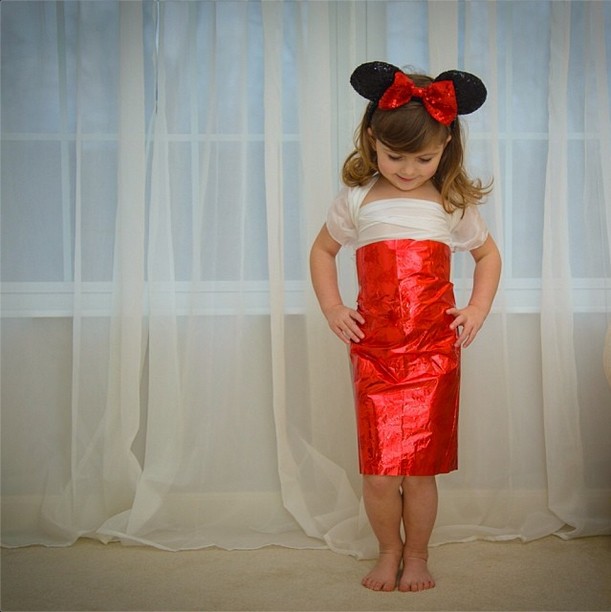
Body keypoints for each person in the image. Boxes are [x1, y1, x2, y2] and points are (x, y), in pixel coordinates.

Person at [310, 62, 501, 593]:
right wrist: (333, 307)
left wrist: (477, 309)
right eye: (396, 157)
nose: (409, 170)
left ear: (446, 148)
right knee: (378, 471)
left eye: (424, 158)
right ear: (373, 142)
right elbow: (322, 252)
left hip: (434, 354)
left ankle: (416, 554)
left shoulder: (450, 204)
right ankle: (387, 551)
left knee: (419, 471)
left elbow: (488, 257)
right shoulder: (356, 202)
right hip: (375, 352)